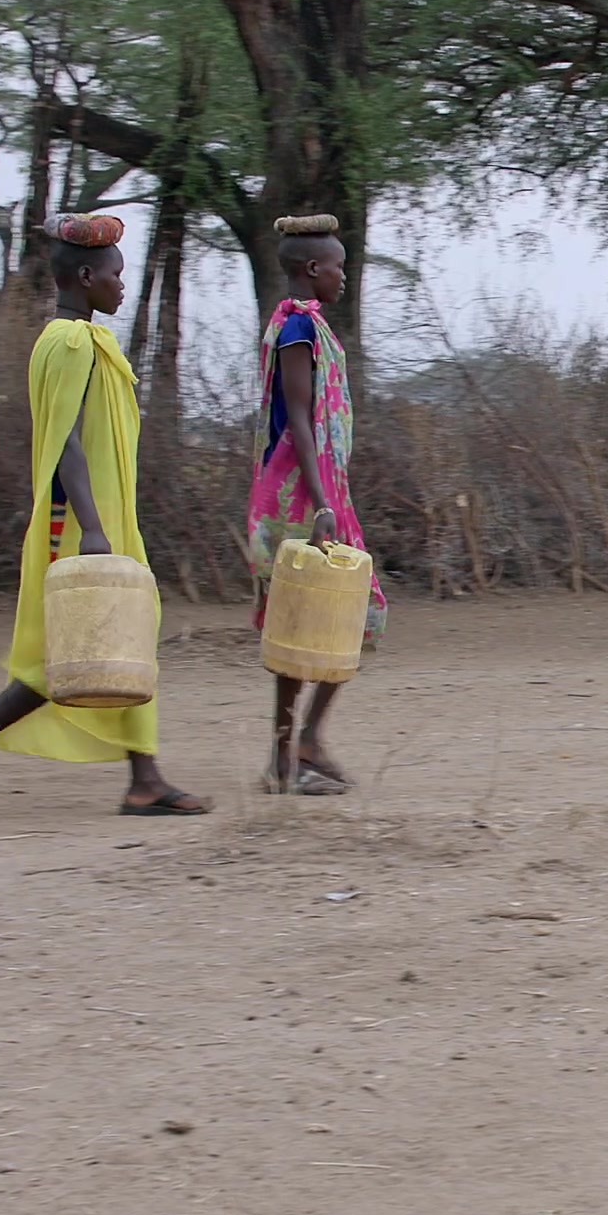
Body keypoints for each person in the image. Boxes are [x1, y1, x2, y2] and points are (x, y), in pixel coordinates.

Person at [0, 216, 208, 818]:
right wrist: (93, 527)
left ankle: (143, 778)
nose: (122, 286)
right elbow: (66, 441)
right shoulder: (70, 342)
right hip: (83, 519)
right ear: (84, 276)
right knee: (81, 648)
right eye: (115, 276)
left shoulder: (90, 339)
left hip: (106, 514)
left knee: (123, 639)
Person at [246, 213, 386, 793]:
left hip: (311, 488)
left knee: (306, 621)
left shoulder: (301, 324)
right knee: (350, 613)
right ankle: (295, 748)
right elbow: (299, 417)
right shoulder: (298, 330)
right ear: (312, 270)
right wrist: (323, 503)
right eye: (338, 267)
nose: (344, 277)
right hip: (300, 495)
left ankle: (294, 750)